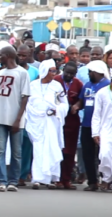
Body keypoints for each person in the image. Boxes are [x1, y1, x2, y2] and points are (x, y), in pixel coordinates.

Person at [0, 46, 30, 192]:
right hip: (0, 119)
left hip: (15, 119)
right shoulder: (0, 73)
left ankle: (13, 181)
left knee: (16, 153)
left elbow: (25, 98)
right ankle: (2, 181)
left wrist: (18, 119)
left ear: (9, 56)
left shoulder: (22, 73)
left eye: (1, 55)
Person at [26, 59, 68, 190]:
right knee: (38, 149)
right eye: (52, 70)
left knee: (52, 147)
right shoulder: (32, 85)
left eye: (55, 70)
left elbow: (64, 103)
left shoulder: (57, 86)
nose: (54, 73)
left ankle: (51, 178)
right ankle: (37, 178)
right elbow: (27, 103)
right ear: (44, 70)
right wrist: (35, 112)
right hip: (36, 122)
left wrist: (57, 110)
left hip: (52, 121)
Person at [72, 60, 111, 191]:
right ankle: (92, 182)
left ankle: (105, 180)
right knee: (87, 155)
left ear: (97, 72)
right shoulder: (87, 85)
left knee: (103, 155)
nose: (89, 74)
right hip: (87, 124)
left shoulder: (107, 85)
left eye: (90, 72)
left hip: (103, 127)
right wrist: (77, 106)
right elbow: (82, 101)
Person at [54, 61, 83, 190]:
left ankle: (66, 180)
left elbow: (82, 100)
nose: (69, 76)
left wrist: (77, 106)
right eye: (67, 73)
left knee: (69, 152)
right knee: (57, 149)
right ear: (63, 71)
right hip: (56, 120)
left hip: (72, 121)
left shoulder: (78, 84)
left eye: (72, 74)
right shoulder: (55, 81)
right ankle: (56, 179)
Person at [16, 44, 39, 186]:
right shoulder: (11, 70)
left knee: (26, 144)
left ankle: (22, 175)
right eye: (19, 55)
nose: (22, 58)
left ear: (30, 54)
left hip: (30, 112)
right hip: (13, 110)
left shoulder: (35, 72)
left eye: (24, 55)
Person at [91, 79, 112, 191]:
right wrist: (95, 132)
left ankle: (107, 180)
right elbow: (97, 114)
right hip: (106, 129)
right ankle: (107, 177)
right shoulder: (102, 93)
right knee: (104, 154)